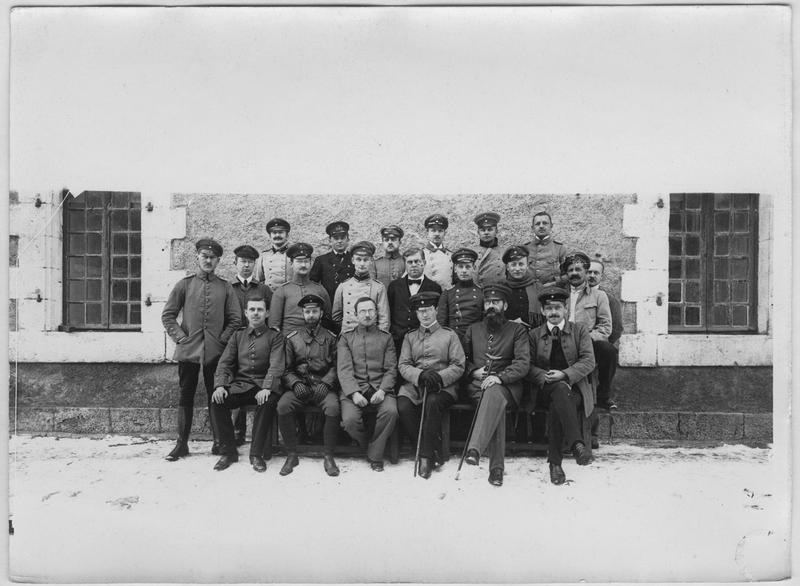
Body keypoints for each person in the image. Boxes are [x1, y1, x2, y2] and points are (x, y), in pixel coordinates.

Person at [161, 238, 242, 461]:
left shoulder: (225, 287)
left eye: (212, 258)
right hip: (189, 351)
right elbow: (168, 315)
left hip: (215, 352)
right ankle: (181, 444)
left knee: (216, 394)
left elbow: (236, 319)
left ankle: (218, 441)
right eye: (204, 257)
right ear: (198, 258)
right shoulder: (184, 285)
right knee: (185, 395)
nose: (208, 261)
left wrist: (221, 340)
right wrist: (181, 338)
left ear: (218, 261)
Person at [462, 284, 530, 486]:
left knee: (494, 394)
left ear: (505, 305)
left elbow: (523, 363)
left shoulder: (517, 330)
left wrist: (500, 377)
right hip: (477, 386)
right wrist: (473, 371)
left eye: (496, 302)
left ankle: (475, 448)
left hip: (508, 387)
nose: (491, 306)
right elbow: (461, 360)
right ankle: (496, 469)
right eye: (488, 302)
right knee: (494, 404)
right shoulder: (473, 330)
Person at [527, 285, 595, 485]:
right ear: (542, 311)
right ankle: (577, 444)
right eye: (549, 308)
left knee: (559, 400)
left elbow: (589, 360)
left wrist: (565, 374)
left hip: (574, 389)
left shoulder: (579, 330)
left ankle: (555, 464)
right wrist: (544, 375)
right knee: (557, 390)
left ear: (566, 309)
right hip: (543, 388)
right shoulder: (534, 335)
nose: (553, 312)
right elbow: (526, 365)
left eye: (557, 307)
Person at [209, 295, 285, 471]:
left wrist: (267, 387)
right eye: (252, 310)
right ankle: (229, 452)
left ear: (267, 313)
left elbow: (276, 365)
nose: (256, 313)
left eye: (260, 310)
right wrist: (220, 385)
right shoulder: (238, 336)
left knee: (268, 401)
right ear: (246, 313)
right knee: (217, 400)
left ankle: (256, 454)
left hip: (262, 385)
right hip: (241, 385)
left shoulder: (275, 337)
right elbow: (225, 362)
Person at [397, 292, 465, 479]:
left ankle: (425, 457)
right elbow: (403, 365)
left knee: (433, 402)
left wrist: (439, 377)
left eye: (428, 310)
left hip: (443, 387)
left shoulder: (449, 335)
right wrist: (419, 375)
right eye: (420, 311)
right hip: (415, 386)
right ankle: (431, 450)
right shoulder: (410, 337)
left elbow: (459, 365)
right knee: (402, 405)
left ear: (436, 310)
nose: (424, 315)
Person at [277, 294, 340, 477]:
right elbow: (286, 368)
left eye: (314, 311)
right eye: (307, 311)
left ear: (321, 313)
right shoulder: (292, 338)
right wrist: (295, 383)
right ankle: (292, 453)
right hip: (301, 387)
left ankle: (328, 455)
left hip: (322, 387)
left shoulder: (330, 338)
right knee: (282, 406)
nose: (311, 315)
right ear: (302, 313)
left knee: (333, 408)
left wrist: (327, 383)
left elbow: (338, 366)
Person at [337, 297, 399, 471]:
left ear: (377, 313)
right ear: (355, 315)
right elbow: (344, 370)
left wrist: (382, 390)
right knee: (349, 420)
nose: (367, 315)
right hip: (354, 389)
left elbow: (391, 369)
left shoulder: (386, 338)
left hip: (380, 387)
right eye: (362, 311)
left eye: (370, 310)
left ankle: (375, 455)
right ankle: (372, 447)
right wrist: (354, 393)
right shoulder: (346, 339)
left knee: (391, 412)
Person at [229, 244, 273, 446]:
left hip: (258, 343)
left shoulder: (263, 289)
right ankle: (236, 432)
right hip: (234, 343)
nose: (246, 265)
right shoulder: (229, 289)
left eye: (250, 262)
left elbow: (270, 317)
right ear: (235, 263)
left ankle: (259, 437)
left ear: (255, 264)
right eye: (242, 261)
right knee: (235, 384)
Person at [387, 248, 442, 354]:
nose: (413, 265)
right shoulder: (394, 286)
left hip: (424, 340)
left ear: (424, 263)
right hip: (398, 340)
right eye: (410, 262)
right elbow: (389, 312)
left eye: (417, 261)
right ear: (405, 264)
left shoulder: (435, 287)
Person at [269, 243, 331, 335]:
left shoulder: (320, 289)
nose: (303, 265)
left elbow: (327, 320)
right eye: (299, 261)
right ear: (291, 264)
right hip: (289, 343)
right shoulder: (282, 291)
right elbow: (274, 325)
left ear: (311, 263)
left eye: (306, 261)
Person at [587, 259, 622, 410]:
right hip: (575, 341)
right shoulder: (572, 296)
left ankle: (603, 395)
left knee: (609, 351)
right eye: (589, 272)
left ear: (601, 276)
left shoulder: (609, 299)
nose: (592, 276)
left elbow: (616, 329)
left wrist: (598, 339)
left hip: (597, 343)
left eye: (596, 273)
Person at [333, 241, 390, 333]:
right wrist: (348, 329)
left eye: (366, 260)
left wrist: (379, 339)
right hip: (348, 336)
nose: (362, 264)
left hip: (371, 336)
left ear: (371, 261)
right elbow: (336, 316)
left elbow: (384, 320)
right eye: (358, 259)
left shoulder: (378, 287)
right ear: (353, 260)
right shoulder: (343, 286)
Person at [436, 248, 483, 349]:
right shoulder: (448, 293)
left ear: (474, 268)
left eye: (468, 267)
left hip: (475, 341)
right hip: (453, 341)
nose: (464, 271)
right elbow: (441, 322)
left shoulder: (481, 292)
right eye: (460, 267)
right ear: (455, 269)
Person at [310, 221, 355, 311]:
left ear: (348, 239)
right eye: (336, 238)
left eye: (342, 238)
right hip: (329, 305)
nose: (339, 241)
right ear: (330, 240)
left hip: (351, 305)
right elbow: (313, 284)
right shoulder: (321, 260)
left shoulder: (355, 259)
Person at [503, 245, 543, 328]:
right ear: (507, 267)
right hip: (507, 333)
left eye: (521, 264)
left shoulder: (538, 287)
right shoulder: (502, 288)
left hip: (533, 333)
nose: (517, 269)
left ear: (527, 265)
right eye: (513, 265)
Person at [523, 211, 567, 287]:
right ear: (532, 228)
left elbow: (567, 274)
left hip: (553, 292)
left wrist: (555, 283)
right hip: (529, 291)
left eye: (545, 223)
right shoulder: (525, 248)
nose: (541, 226)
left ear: (551, 226)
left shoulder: (559, 248)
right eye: (537, 224)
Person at [255, 218, 293, 292]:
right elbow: (259, 281)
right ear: (270, 236)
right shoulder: (264, 256)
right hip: (269, 298)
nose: (277, 235)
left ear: (287, 235)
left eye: (281, 232)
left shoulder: (294, 254)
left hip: (289, 297)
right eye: (274, 233)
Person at [472, 212, 506, 287]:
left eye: (490, 229)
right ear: (478, 232)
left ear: (496, 231)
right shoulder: (472, 253)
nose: (486, 233)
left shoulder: (504, 252)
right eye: (483, 230)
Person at [421, 213, 453, 290]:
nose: (437, 234)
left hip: (446, 296)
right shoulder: (421, 254)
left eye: (440, 231)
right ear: (427, 232)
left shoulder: (451, 255)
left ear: (445, 233)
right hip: (428, 296)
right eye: (433, 230)